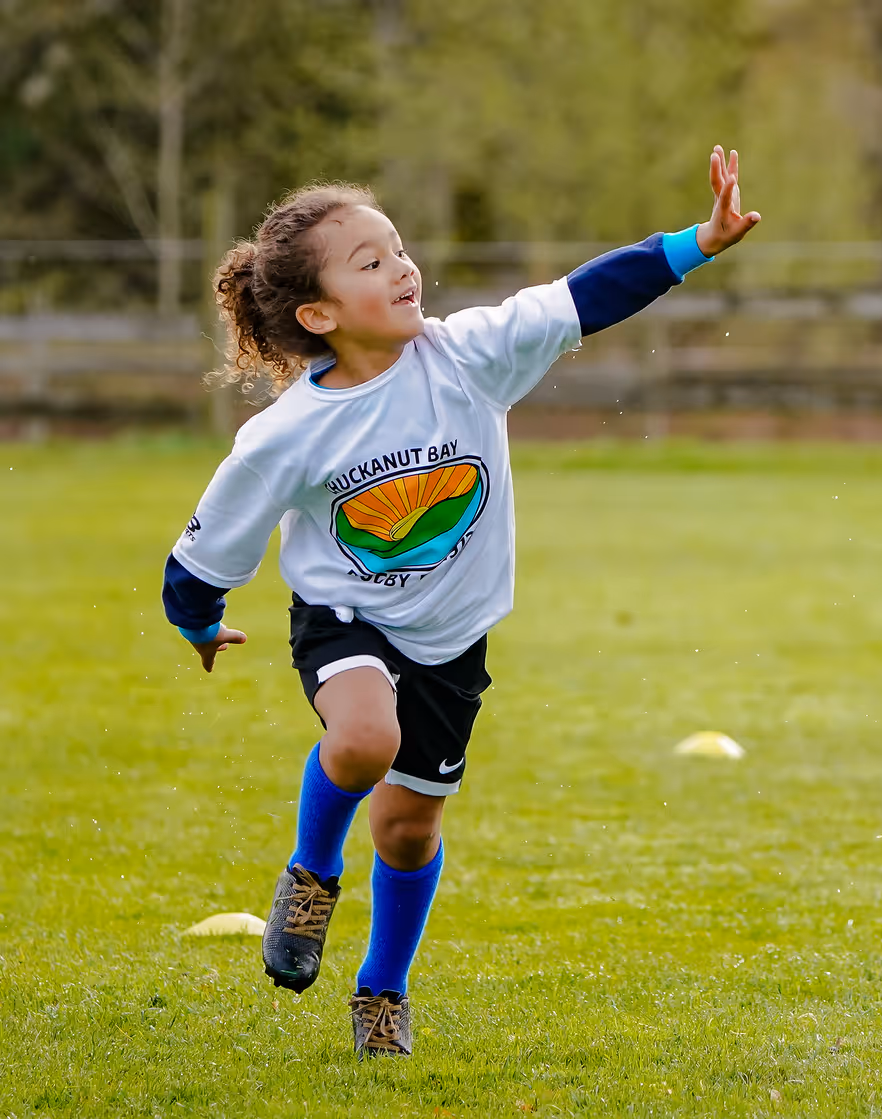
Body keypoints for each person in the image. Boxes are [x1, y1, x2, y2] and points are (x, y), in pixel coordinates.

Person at [162, 146, 760, 1057]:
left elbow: (581, 296)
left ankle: (382, 988)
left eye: (397, 248)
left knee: (407, 831)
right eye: (370, 262)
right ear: (317, 313)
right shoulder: (284, 434)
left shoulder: (467, 356)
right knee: (364, 739)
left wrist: (696, 242)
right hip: (346, 619)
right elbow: (209, 549)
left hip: (451, 637)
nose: (401, 266)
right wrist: (198, 622)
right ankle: (312, 872)